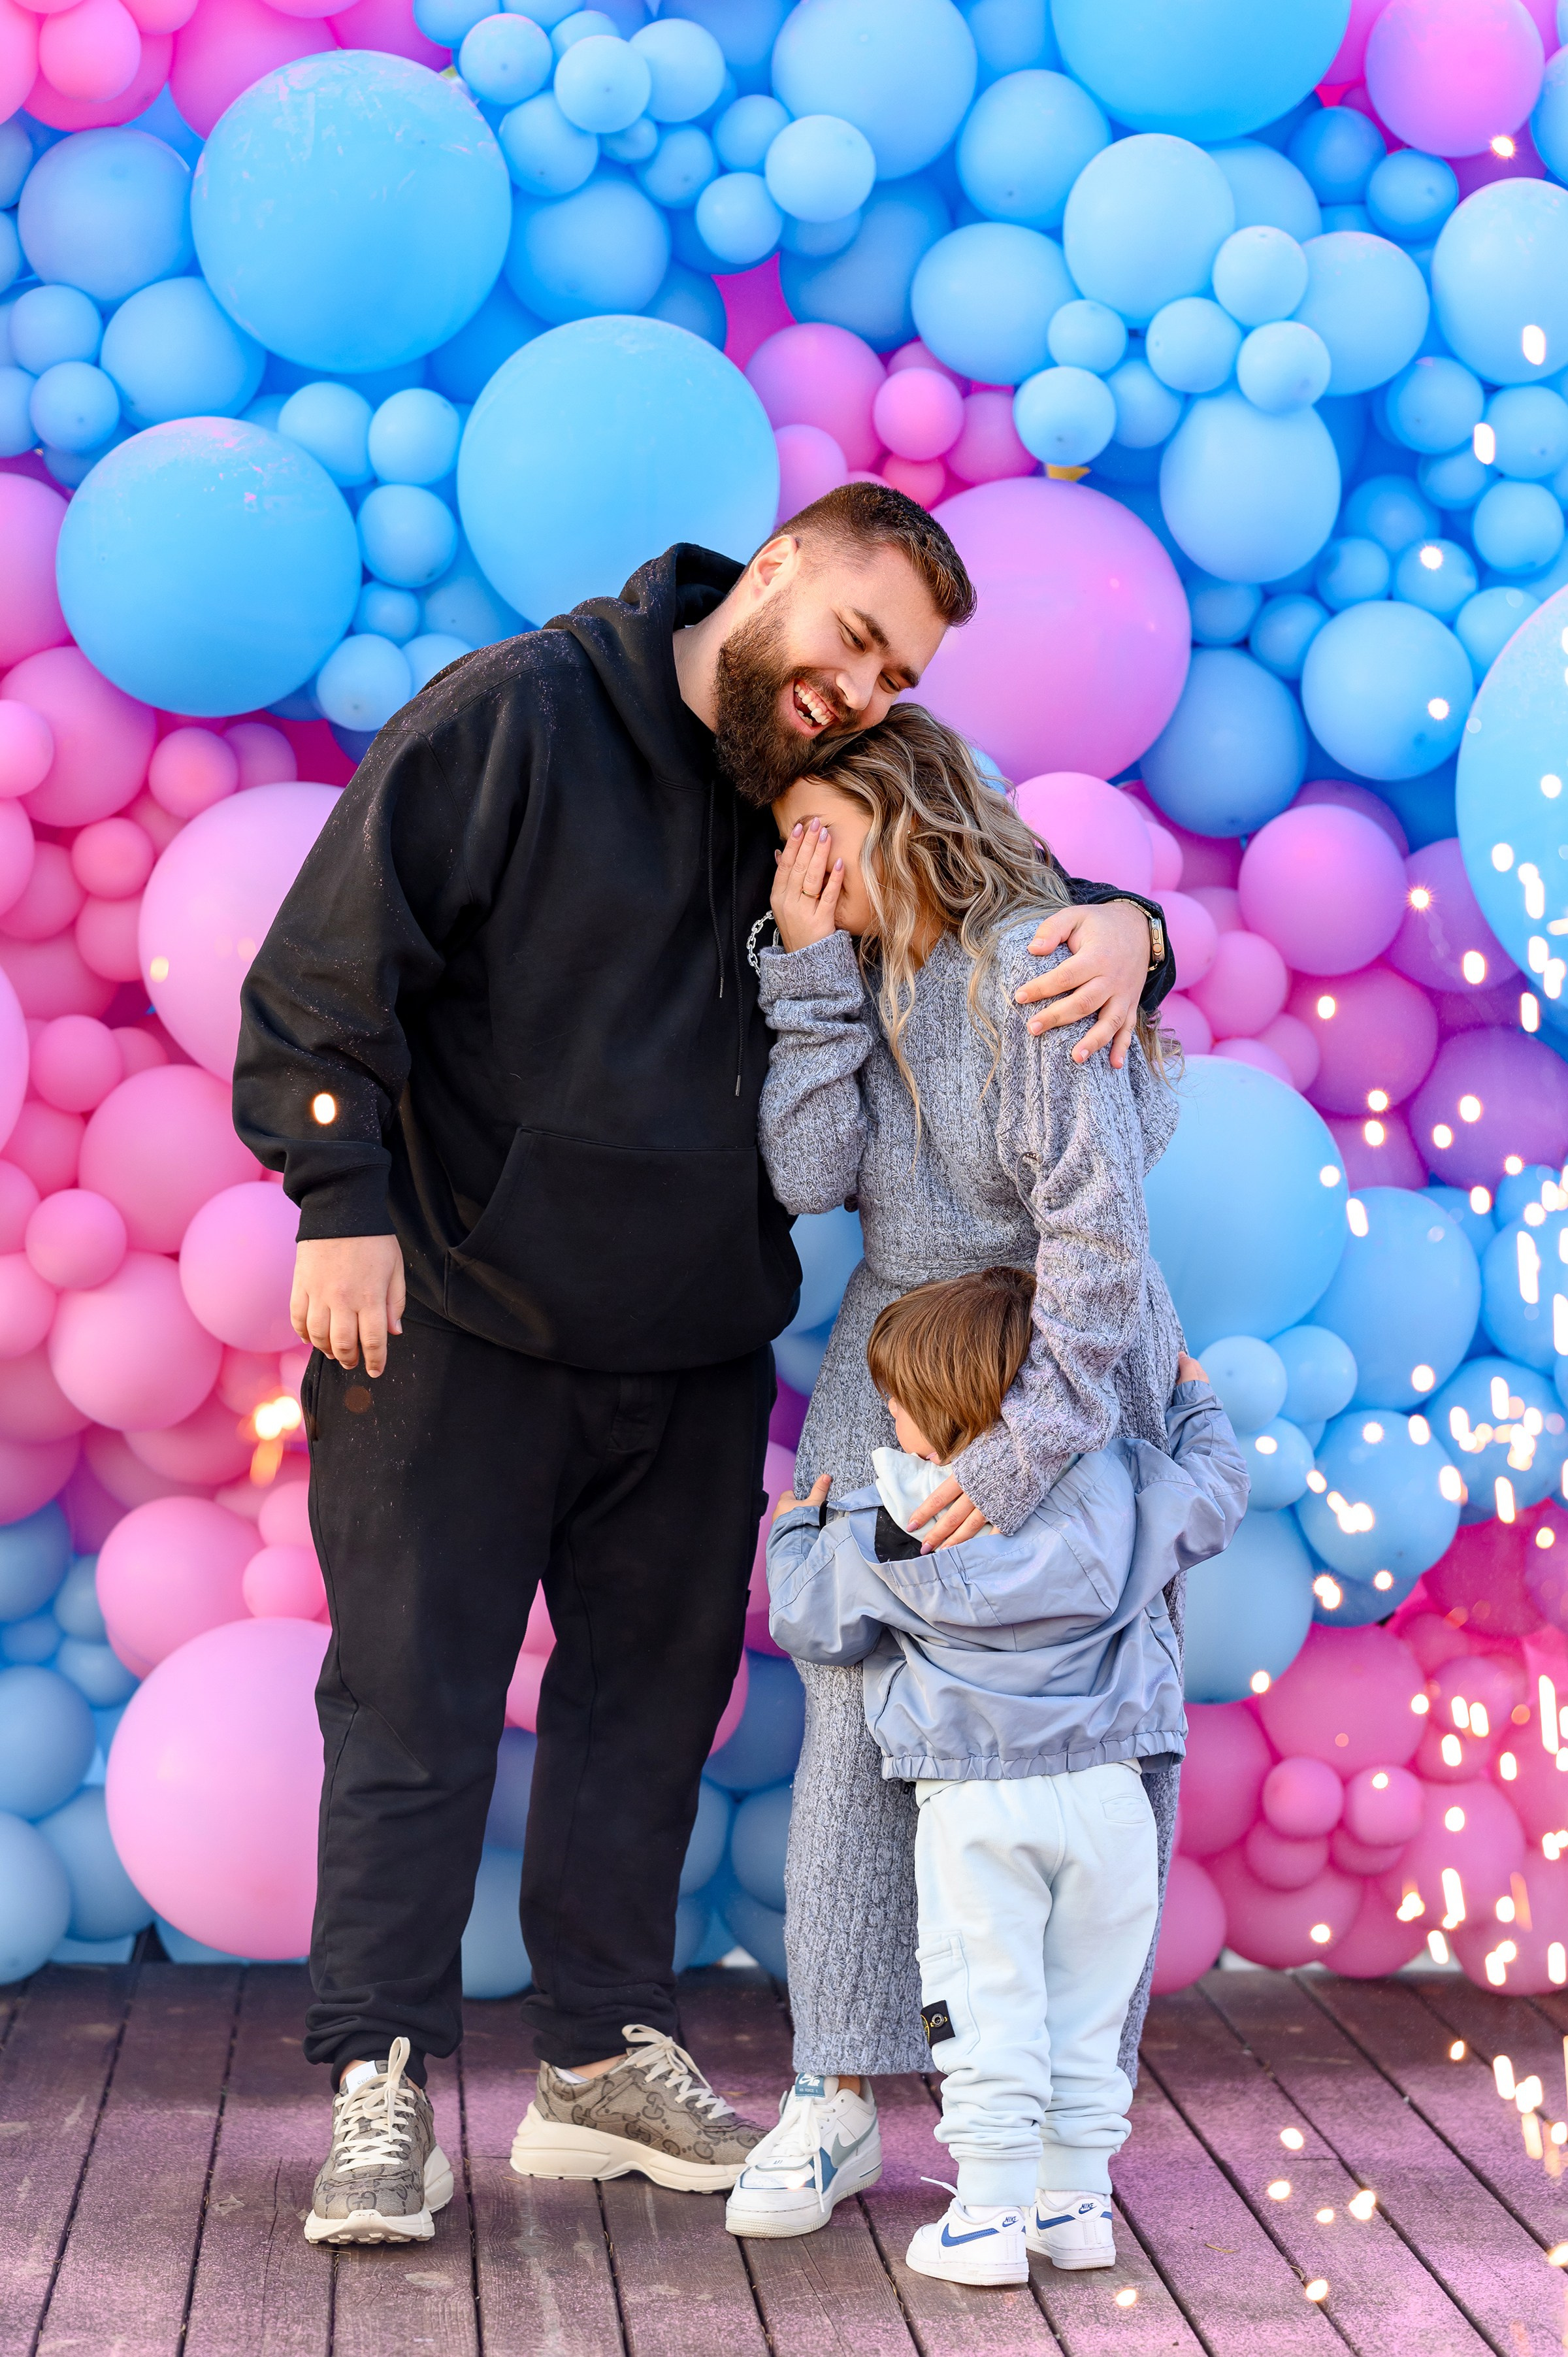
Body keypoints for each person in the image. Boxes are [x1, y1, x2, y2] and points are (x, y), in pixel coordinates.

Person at [232, 482, 1169, 2247]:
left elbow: (997, 874)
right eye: (853, 642)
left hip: (688, 1340)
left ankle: (598, 2060)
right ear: (784, 569)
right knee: (414, 1707)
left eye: (894, 678)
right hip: (452, 1308)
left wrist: (1142, 932)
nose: (859, 694)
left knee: (646, 1709)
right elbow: (321, 980)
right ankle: (384, 2081)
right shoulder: (510, 717)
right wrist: (335, 1198)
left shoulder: (824, 767)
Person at [725, 703, 1186, 2241]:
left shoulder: (1035, 962)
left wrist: (1031, 1449)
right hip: (901, 1364)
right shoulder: (851, 964)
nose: (796, 862)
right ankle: (836, 2094)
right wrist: (806, 981)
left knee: (1099, 1703)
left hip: (1063, 1348)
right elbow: (806, 1180)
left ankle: (1067, 2141)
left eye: (818, 829)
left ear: (897, 806)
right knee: (858, 1704)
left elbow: (1101, 1239)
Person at [764, 1268, 1247, 2286]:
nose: (890, 1429)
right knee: (1088, 2009)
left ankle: (984, 2220)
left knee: (984, 2007)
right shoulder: (1119, 1480)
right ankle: (1074, 2207)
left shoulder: (900, 1516)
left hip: (979, 1808)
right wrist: (1197, 1405)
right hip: (1110, 1798)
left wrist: (799, 1527)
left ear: (934, 1420)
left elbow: (812, 1621)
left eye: (896, 1410)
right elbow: (1211, 1501)